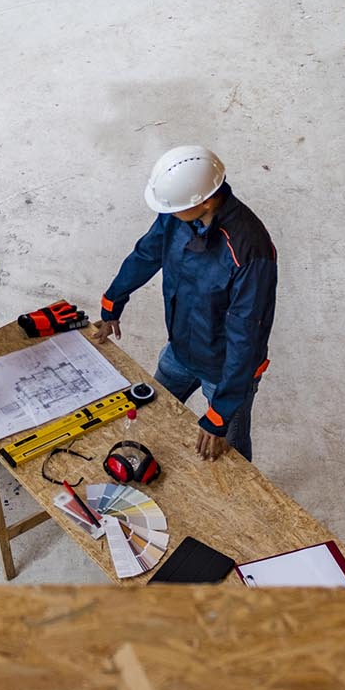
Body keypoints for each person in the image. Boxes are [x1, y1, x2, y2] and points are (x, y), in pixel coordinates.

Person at [91, 146, 276, 462]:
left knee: (229, 453)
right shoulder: (177, 218)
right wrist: (113, 301)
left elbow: (245, 337)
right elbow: (146, 255)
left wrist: (221, 412)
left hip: (225, 373)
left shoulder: (249, 250)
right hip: (180, 350)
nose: (167, 213)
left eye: (174, 208)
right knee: (150, 416)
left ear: (205, 201)